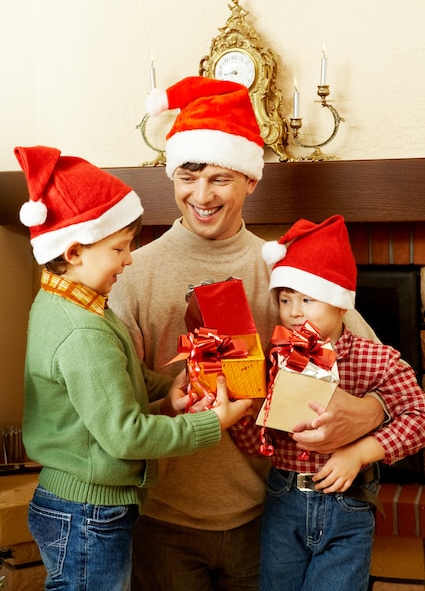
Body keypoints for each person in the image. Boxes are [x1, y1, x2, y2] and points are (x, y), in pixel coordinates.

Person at [109, 76, 386, 591]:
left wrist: (368, 414)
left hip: (269, 518)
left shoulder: (288, 273)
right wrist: (173, 402)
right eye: (189, 176)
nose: (202, 195)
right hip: (161, 521)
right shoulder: (130, 274)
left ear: (252, 180)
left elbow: (381, 370)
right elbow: (114, 409)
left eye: (220, 178)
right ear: (171, 175)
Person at [15, 145, 252, 591]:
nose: (129, 259)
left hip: (77, 501)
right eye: (120, 248)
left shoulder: (69, 305)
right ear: (75, 250)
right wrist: (209, 424)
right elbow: (126, 435)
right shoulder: (84, 331)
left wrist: (172, 389)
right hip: (89, 511)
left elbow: (121, 378)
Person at [229, 214, 425, 591]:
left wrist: (361, 452)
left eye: (307, 299)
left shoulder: (377, 359)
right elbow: (257, 444)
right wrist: (240, 409)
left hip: (347, 506)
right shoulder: (274, 360)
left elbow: (418, 416)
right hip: (282, 499)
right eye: (285, 300)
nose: (294, 311)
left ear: (340, 304)